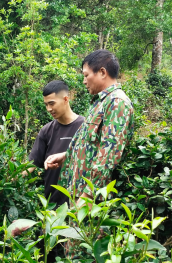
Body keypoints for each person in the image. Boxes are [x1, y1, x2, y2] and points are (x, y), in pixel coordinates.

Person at [44, 49, 134, 204]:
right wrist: (66, 156)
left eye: (86, 75)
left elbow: (108, 157)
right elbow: (91, 145)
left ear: (102, 72)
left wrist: (87, 197)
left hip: (92, 202)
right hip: (79, 195)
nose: (84, 81)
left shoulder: (117, 103)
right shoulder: (100, 103)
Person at [24, 80, 85, 207]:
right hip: (53, 206)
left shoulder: (85, 127)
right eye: (46, 105)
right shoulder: (46, 131)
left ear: (65, 99)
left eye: (52, 103)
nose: (49, 109)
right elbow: (31, 164)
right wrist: (8, 178)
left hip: (79, 204)